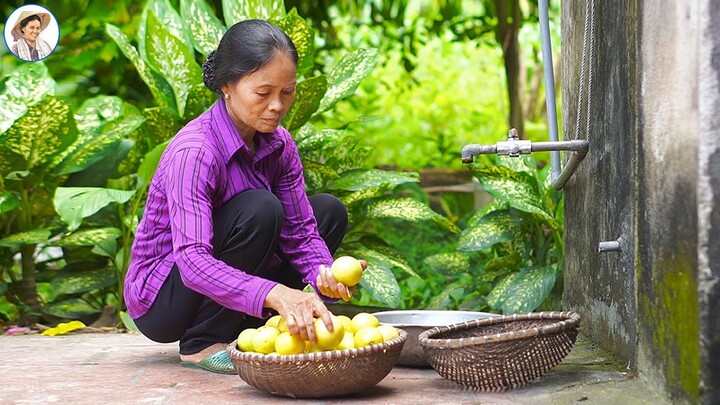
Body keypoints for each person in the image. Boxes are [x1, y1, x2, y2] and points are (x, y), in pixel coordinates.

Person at [124, 19, 366, 374]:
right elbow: (192, 262)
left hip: (219, 274)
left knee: (328, 210)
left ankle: (245, 328)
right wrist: (278, 293)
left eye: (287, 92)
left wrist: (322, 275)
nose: (277, 106)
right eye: (263, 92)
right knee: (260, 208)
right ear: (228, 85)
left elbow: (300, 232)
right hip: (163, 298)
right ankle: (202, 342)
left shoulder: (279, 144)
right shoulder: (195, 152)